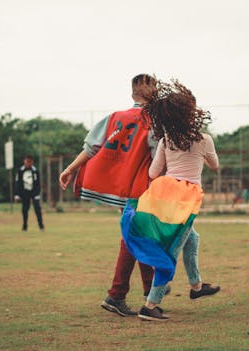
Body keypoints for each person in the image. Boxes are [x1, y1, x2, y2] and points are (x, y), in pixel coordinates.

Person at [120, 79, 221, 321]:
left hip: (164, 192)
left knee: (192, 239)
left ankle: (196, 287)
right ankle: (150, 305)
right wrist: (200, 159)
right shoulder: (204, 139)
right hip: (185, 198)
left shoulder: (166, 139)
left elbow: (154, 173)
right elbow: (215, 165)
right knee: (172, 250)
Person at [59, 74, 158, 317]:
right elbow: (158, 159)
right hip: (140, 190)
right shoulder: (154, 121)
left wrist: (70, 168)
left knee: (138, 238)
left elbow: (91, 147)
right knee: (135, 240)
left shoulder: (114, 118)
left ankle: (147, 296)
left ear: (132, 92)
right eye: (155, 86)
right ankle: (119, 295)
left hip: (121, 188)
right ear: (150, 90)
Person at [14, 155, 44, 231]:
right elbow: (18, 183)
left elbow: (38, 183)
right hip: (25, 192)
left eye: (30, 162)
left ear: (32, 162)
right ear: (24, 161)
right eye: (27, 161)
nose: (28, 163)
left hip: (34, 193)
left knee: (37, 209)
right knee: (24, 210)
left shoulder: (35, 171)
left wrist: (37, 193)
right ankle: (25, 226)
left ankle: (41, 226)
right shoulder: (20, 171)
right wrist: (17, 194)